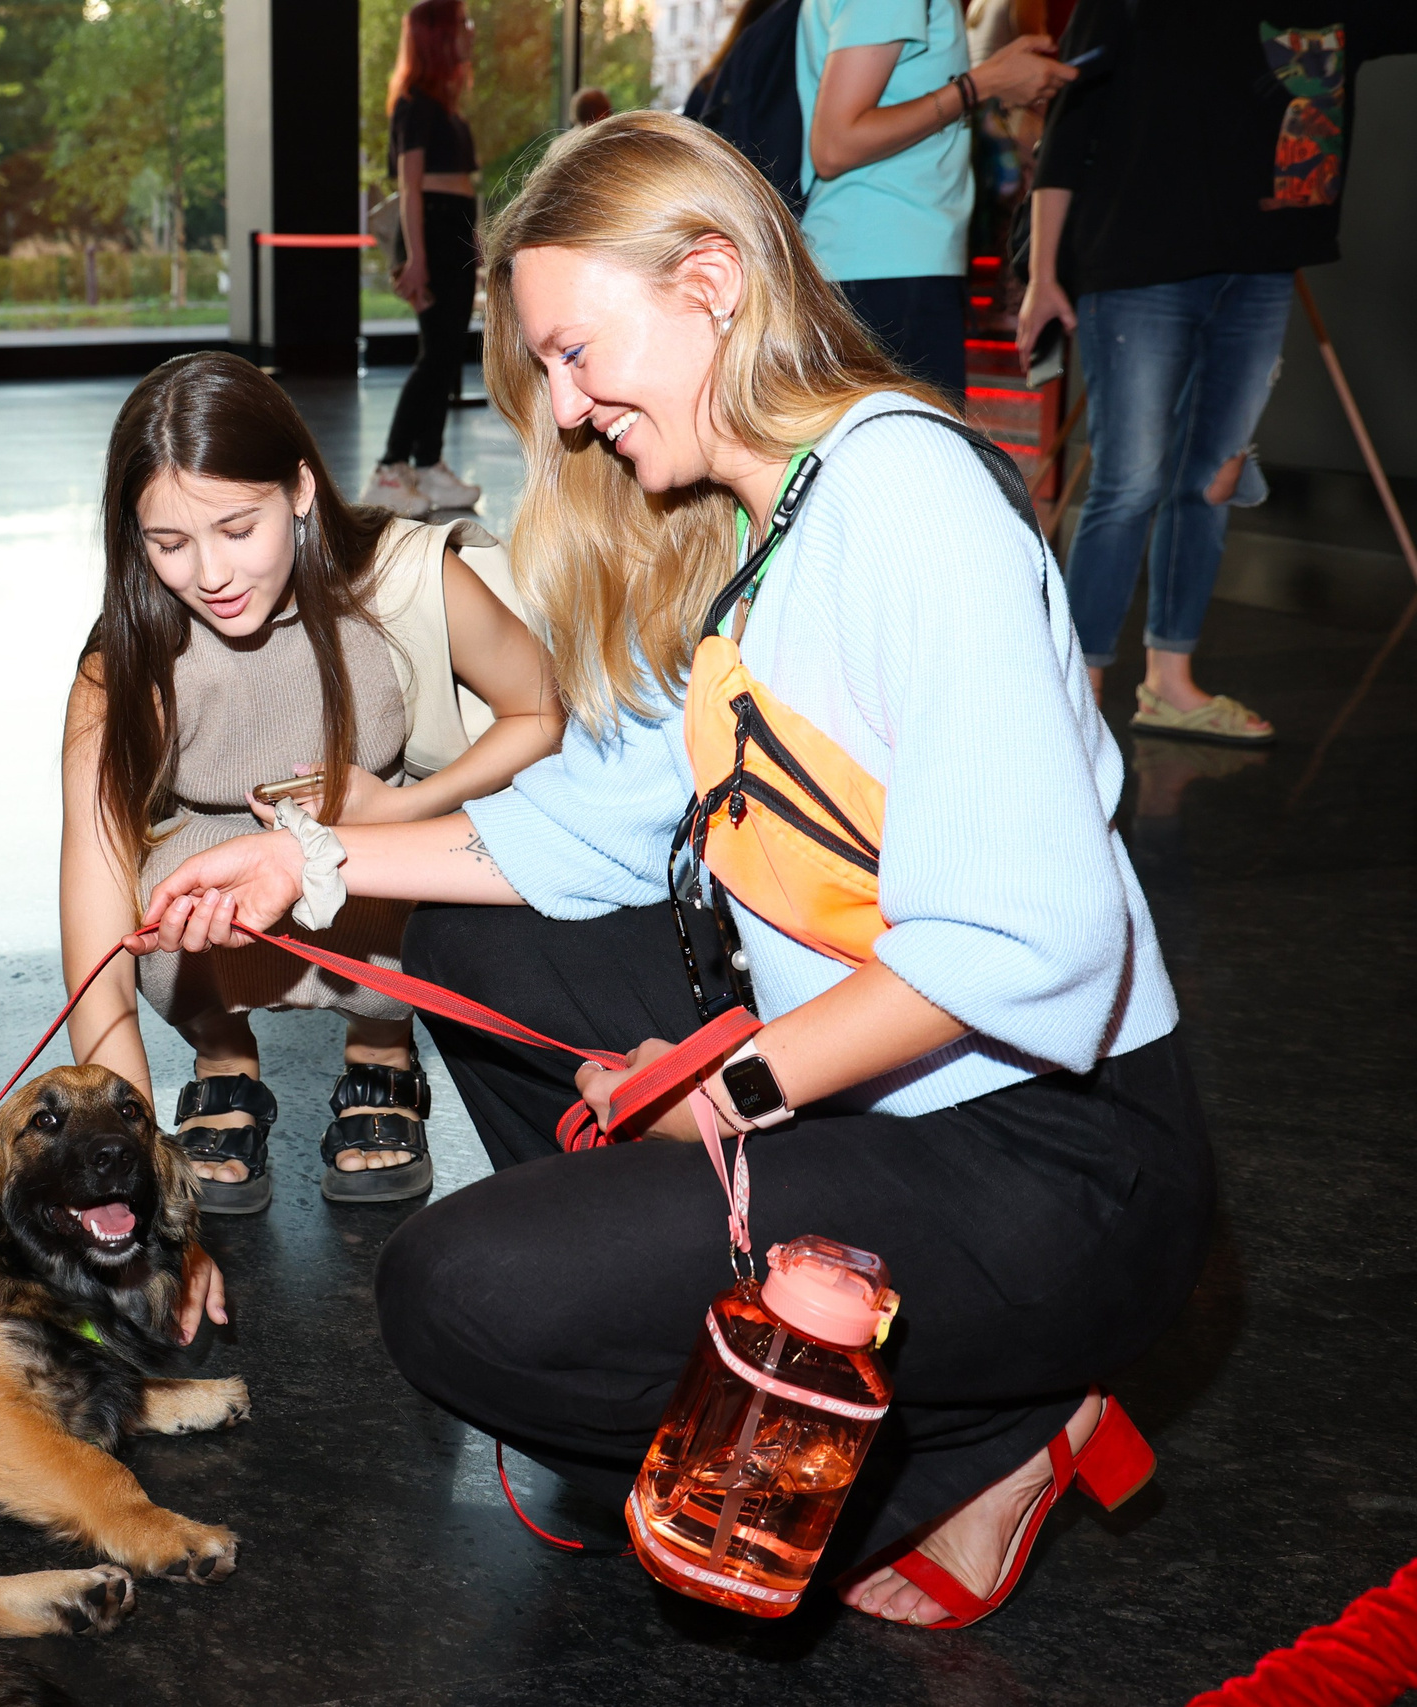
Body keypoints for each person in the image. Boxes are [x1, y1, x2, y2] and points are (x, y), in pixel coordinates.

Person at [140, 114, 1212, 1629]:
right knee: (455, 931)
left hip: (1060, 1165)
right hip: (896, 1097)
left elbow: (1029, 940)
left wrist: (738, 1081)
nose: (567, 414)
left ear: (710, 281)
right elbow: (588, 824)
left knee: (460, 1297)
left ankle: (982, 1434)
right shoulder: (779, 520)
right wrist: (307, 860)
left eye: (578, 354)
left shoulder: (910, 502)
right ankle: (699, 1306)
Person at [67, 352, 559, 1213]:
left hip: (377, 851)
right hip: (218, 872)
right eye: (170, 543)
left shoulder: (400, 577)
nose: (210, 574)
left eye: (236, 528)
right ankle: (221, 1061)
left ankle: (381, 1046)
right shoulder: (123, 659)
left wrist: (402, 808)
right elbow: (95, 926)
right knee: (153, 897)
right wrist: (125, 1144)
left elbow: (542, 711)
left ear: (298, 488)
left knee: (420, 881)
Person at [1019, 0, 1417, 745]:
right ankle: (1077, 691)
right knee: (1130, 480)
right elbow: (1069, 132)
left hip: (1261, 269)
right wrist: (1043, 274)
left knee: (1214, 478)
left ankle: (1169, 681)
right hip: (1137, 268)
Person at [796, 0, 1073, 398]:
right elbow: (836, 145)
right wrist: (982, 85)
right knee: (913, 455)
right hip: (888, 265)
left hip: (878, 261)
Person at [361, 0, 487, 522]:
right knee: (435, 355)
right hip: (430, 231)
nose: (469, 30)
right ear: (437, 36)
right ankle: (390, 469)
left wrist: (472, 243)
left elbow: (459, 185)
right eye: (460, 23)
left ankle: (428, 461)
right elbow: (409, 187)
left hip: (450, 228)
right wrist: (416, 258)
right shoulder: (414, 103)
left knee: (446, 354)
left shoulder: (446, 107)